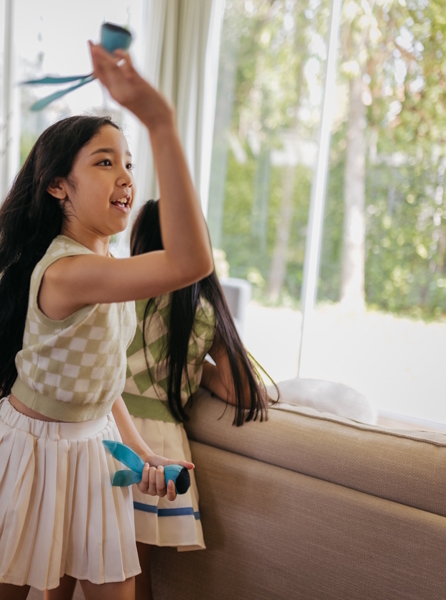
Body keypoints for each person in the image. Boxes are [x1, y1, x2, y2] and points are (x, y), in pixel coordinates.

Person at [0, 42, 213, 600]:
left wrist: (141, 451)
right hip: (28, 453)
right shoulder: (71, 272)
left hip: (94, 448)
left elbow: (103, 380)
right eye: (104, 162)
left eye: (128, 162)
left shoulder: (105, 265)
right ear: (57, 185)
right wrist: (160, 122)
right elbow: (191, 262)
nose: (125, 175)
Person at [122, 198, 274, 600]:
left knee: (86, 565)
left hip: (112, 433)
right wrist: (195, 368)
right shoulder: (202, 309)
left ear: (141, 242)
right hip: (162, 447)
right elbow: (243, 392)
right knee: (137, 573)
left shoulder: (119, 290)